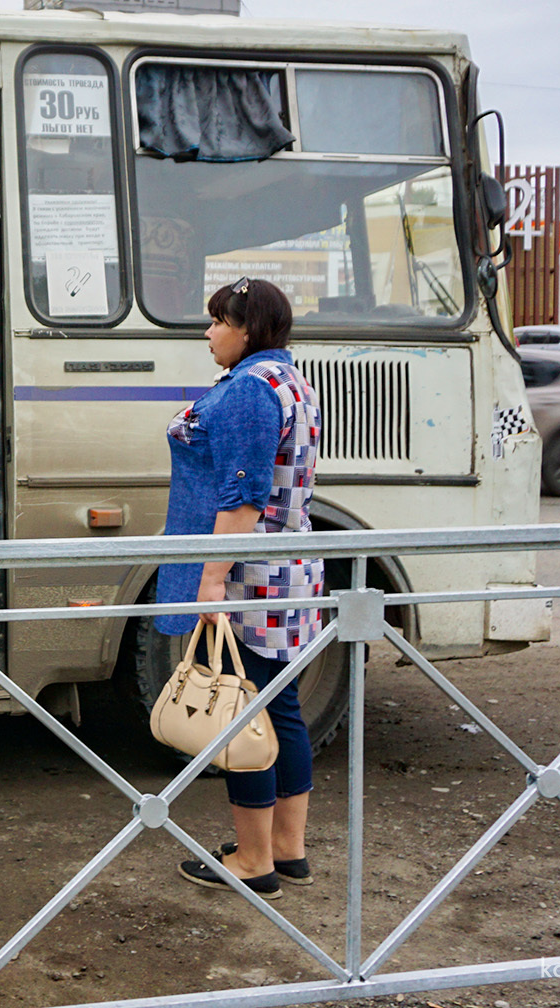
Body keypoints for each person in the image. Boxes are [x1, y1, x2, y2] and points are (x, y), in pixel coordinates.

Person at [156, 277, 323, 901]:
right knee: (280, 710)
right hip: (289, 567)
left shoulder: (253, 390)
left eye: (219, 321)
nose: (208, 331)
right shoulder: (291, 381)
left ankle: (255, 862)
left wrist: (210, 581)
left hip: (250, 574)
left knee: (241, 713)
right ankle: (287, 849)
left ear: (249, 328)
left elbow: (244, 499)